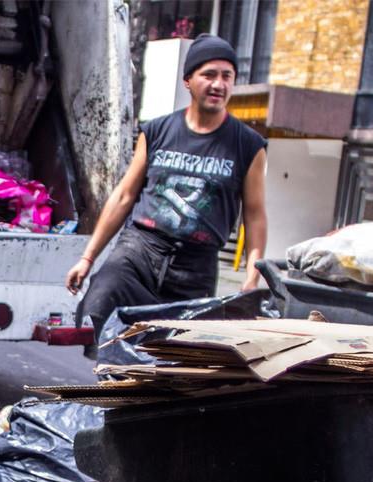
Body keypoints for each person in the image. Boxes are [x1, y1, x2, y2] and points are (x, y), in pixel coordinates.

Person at [66, 34, 268, 353]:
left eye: (226, 76)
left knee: (175, 354)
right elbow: (124, 196)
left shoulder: (248, 145)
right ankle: (107, 383)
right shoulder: (157, 132)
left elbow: (254, 214)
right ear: (188, 80)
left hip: (196, 266)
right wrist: (87, 258)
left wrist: (252, 275)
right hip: (141, 250)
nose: (218, 84)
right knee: (102, 300)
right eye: (209, 74)